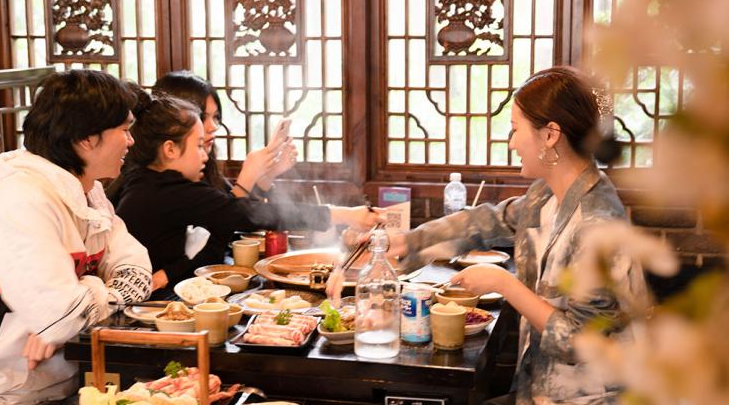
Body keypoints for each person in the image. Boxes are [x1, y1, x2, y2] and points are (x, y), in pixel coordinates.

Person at [330, 66, 646, 404]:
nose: (511, 144)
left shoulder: (597, 224)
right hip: (538, 387)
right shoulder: (548, 194)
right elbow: (488, 220)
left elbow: (579, 342)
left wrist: (503, 283)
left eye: (514, 130)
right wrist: (407, 241)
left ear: (550, 135)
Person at [0, 70, 152, 404]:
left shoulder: (89, 192)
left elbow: (139, 271)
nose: (131, 141)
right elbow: (62, 318)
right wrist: (92, 292)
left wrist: (82, 299)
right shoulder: (22, 200)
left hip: (72, 380)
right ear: (88, 138)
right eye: (124, 130)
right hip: (4, 392)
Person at [114, 88, 382, 298]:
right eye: (198, 146)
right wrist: (344, 214)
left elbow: (221, 231)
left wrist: (169, 272)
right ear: (170, 149)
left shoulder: (150, 182)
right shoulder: (169, 192)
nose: (205, 154)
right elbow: (249, 214)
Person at [151, 70, 295, 199]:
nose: (213, 126)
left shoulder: (206, 165)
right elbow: (227, 216)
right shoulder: (159, 186)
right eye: (202, 117)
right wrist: (248, 176)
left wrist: (266, 177)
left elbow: (241, 214)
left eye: (215, 117)